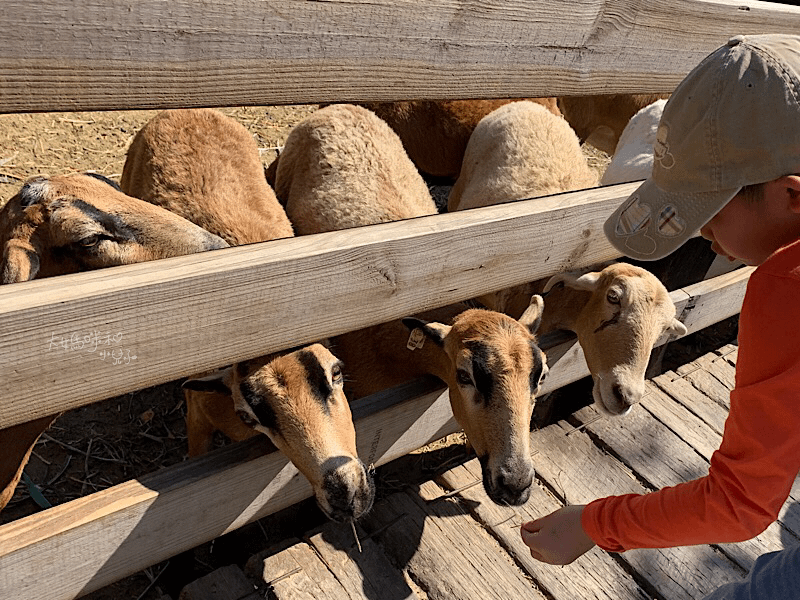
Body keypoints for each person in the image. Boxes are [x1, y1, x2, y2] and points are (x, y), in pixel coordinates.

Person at [520, 33, 800, 599]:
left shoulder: (788, 288)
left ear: (792, 196)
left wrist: (593, 523)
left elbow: (738, 504)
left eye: (710, 207)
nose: (700, 231)